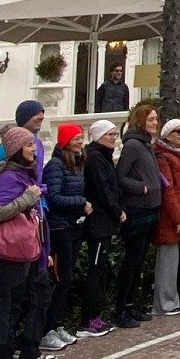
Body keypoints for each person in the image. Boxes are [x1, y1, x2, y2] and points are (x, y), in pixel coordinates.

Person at [0, 126, 53, 359]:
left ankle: (21, 353)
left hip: (28, 248)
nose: (33, 150)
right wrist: (27, 198)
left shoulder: (25, 174)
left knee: (23, 300)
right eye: (27, 146)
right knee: (10, 304)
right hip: (12, 250)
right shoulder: (8, 177)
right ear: (16, 150)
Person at [40, 123, 87, 353]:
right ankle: (47, 327)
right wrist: (81, 204)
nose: (80, 141)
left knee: (67, 278)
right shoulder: (56, 166)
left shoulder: (77, 164)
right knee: (60, 278)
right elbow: (55, 197)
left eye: (81, 137)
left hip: (74, 226)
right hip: (60, 228)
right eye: (76, 138)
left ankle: (57, 323)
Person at [114, 104, 162, 329]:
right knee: (131, 262)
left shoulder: (145, 144)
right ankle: (121, 308)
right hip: (138, 210)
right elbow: (120, 176)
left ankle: (133, 305)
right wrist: (141, 187)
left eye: (156, 119)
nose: (155, 123)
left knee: (139, 261)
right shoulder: (133, 145)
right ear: (141, 121)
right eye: (151, 119)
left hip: (150, 209)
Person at [78, 119, 123, 338]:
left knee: (99, 270)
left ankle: (95, 315)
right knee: (95, 271)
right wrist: (117, 212)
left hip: (105, 222)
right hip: (98, 223)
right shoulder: (96, 159)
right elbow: (103, 190)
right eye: (109, 135)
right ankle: (88, 319)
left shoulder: (103, 157)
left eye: (115, 135)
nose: (113, 138)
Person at [152, 119, 180, 317]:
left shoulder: (178, 154)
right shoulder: (164, 158)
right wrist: (178, 218)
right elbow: (169, 191)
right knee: (167, 260)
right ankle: (164, 302)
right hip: (170, 218)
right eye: (177, 132)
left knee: (173, 259)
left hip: (178, 214)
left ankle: (170, 298)